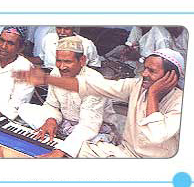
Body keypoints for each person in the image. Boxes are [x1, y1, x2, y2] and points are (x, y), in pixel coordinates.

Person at [13, 48, 184, 158]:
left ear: (171, 77)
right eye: (144, 68)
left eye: (152, 71)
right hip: (125, 153)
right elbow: (91, 86)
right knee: (73, 150)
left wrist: (153, 95)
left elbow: (156, 135)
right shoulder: (137, 86)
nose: (144, 74)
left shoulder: (182, 103)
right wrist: (45, 78)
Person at [17, 36, 120, 158]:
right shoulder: (56, 73)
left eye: (67, 62)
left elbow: (89, 125)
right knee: (24, 109)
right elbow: (51, 104)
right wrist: (52, 120)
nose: (61, 67)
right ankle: (59, 135)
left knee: (92, 151)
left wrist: (60, 151)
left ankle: (66, 142)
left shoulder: (94, 81)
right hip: (65, 123)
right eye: (58, 61)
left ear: (82, 60)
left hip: (93, 128)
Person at [27, 26, 101, 69]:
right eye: (59, 28)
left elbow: (95, 65)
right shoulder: (48, 39)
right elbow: (42, 59)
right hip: (50, 77)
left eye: (66, 29)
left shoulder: (86, 44)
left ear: (73, 28)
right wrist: (23, 58)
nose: (62, 32)